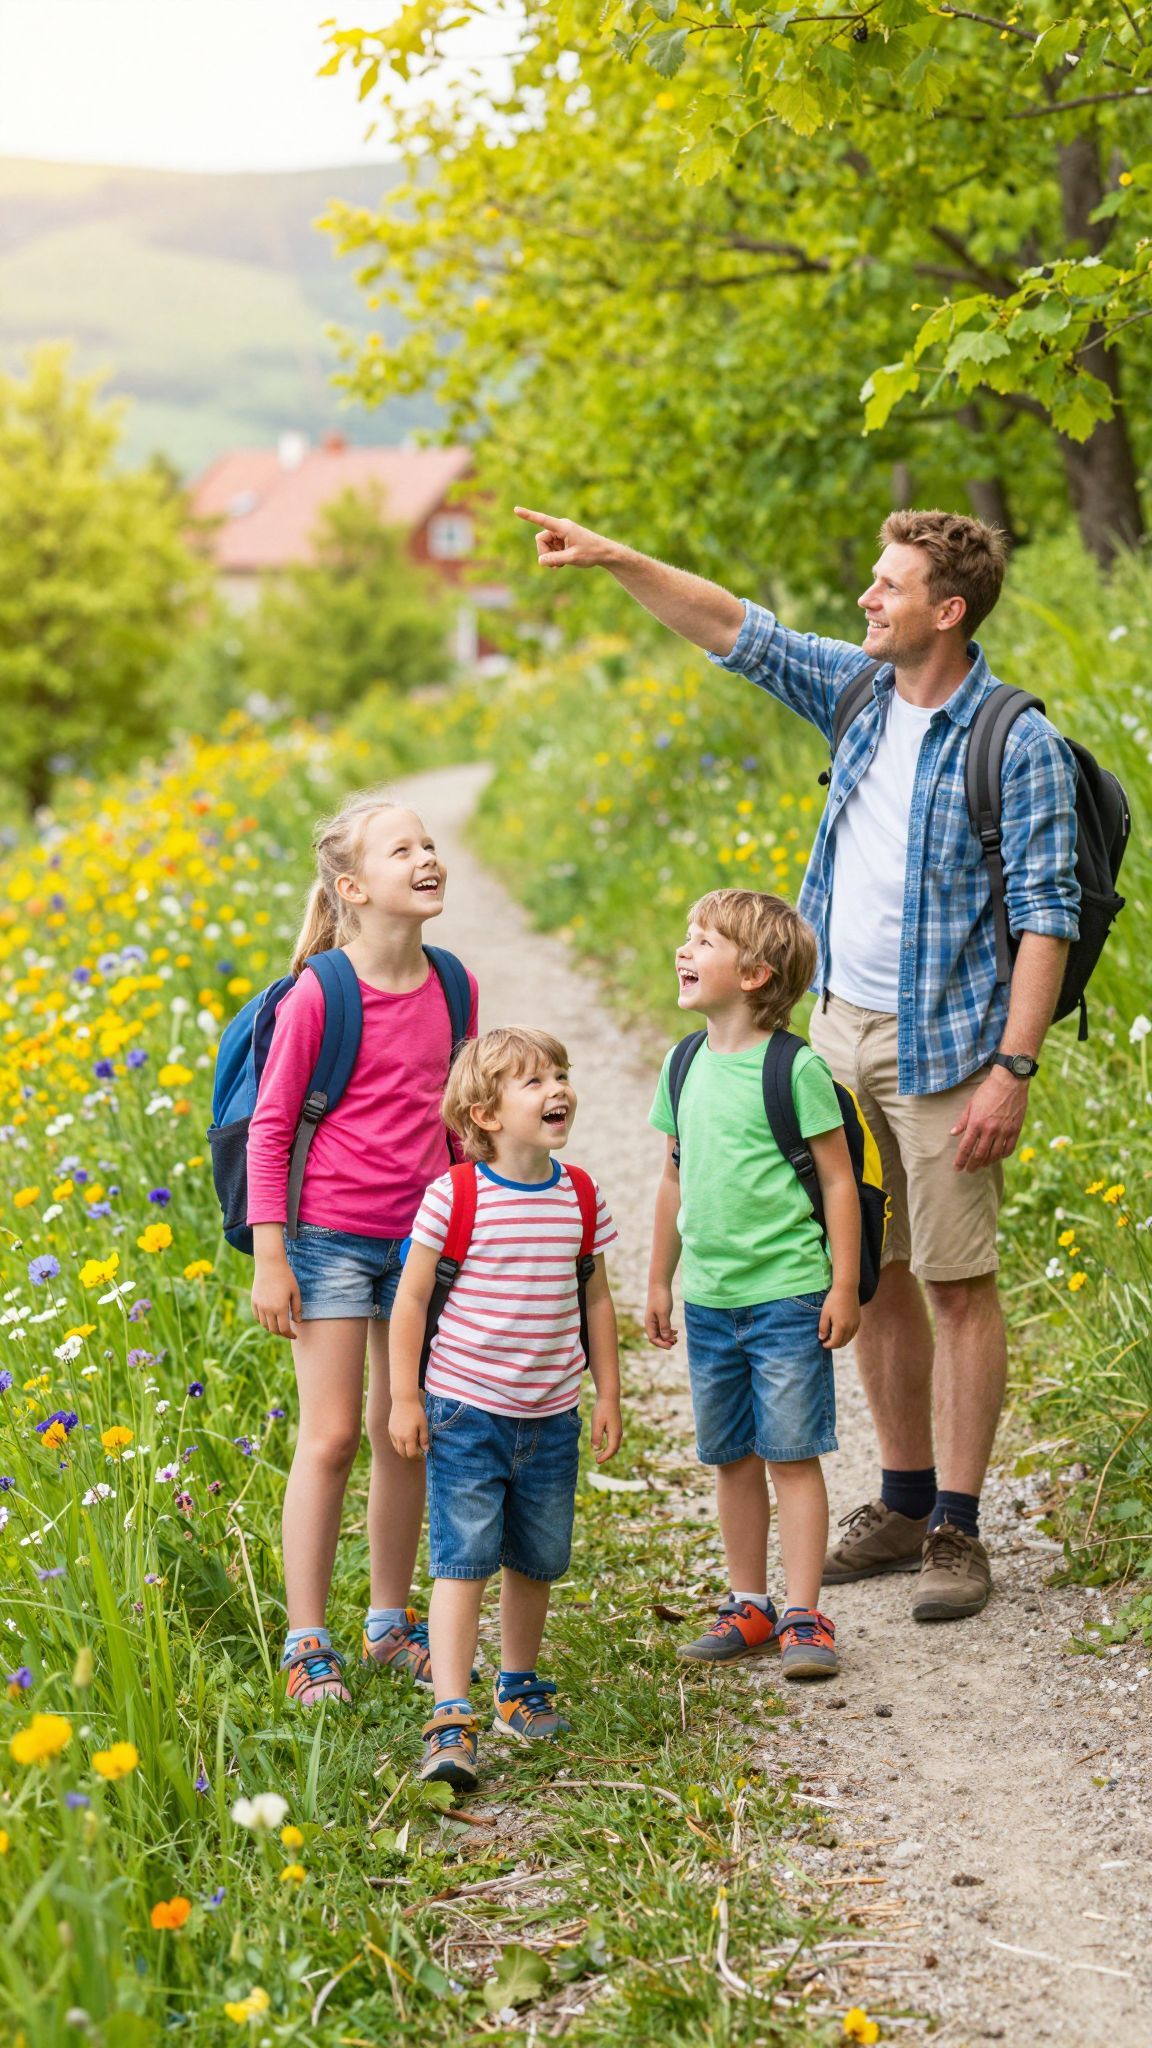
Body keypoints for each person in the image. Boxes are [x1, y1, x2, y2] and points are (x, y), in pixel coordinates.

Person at [516, 503, 1079, 1622]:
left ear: (948, 609)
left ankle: (961, 1525)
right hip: (839, 1031)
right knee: (872, 1270)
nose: (867, 599)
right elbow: (738, 628)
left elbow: (1047, 915)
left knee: (958, 1281)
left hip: (956, 1045)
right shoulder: (861, 693)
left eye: (890, 585)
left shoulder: (1017, 742)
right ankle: (905, 1496)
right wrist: (620, 553)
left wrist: (1013, 1067)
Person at [246, 790, 478, 1705]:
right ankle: (308, 1640)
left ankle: (389, 1624)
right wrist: (272, 1256)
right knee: (334, 1433)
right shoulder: (322, 991)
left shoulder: (453, 982)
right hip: (331, 1240)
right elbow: (271, 1129)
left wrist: (474, 1221)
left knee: (404, 1431)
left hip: (421, 1239)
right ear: (353, 886)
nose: (427, 857)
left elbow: (460, 1120)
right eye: (401, 850)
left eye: (428, 842)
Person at [387, 1027, 622, 1792]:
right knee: (463, 1559)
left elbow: (595, 1295)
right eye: (534, 1082)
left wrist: (609, 1390)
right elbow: (412, 1298)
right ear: (484, 1113)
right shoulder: (455, 1196)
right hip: (466, 1412)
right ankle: (451, 1713)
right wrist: (402, 1395)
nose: (557, 1089)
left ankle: (517, 1686)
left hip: (551, 1414)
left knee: (536, 1558)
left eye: (561, 1074)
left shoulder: (579, 1193)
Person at [647, 889, 860, 1680]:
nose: (685, 949)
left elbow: (839, 1183)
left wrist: (842, 1287)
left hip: (787, 1296)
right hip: (709, 1299)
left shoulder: (795, 1067)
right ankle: (751, 1603)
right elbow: (673, 1181)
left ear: (756, 972)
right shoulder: (683, 1062)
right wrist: (660, 1280)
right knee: (732, 1456)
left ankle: (804, 1612)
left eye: (704, 940)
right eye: (687, 935)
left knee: (791, 1454)